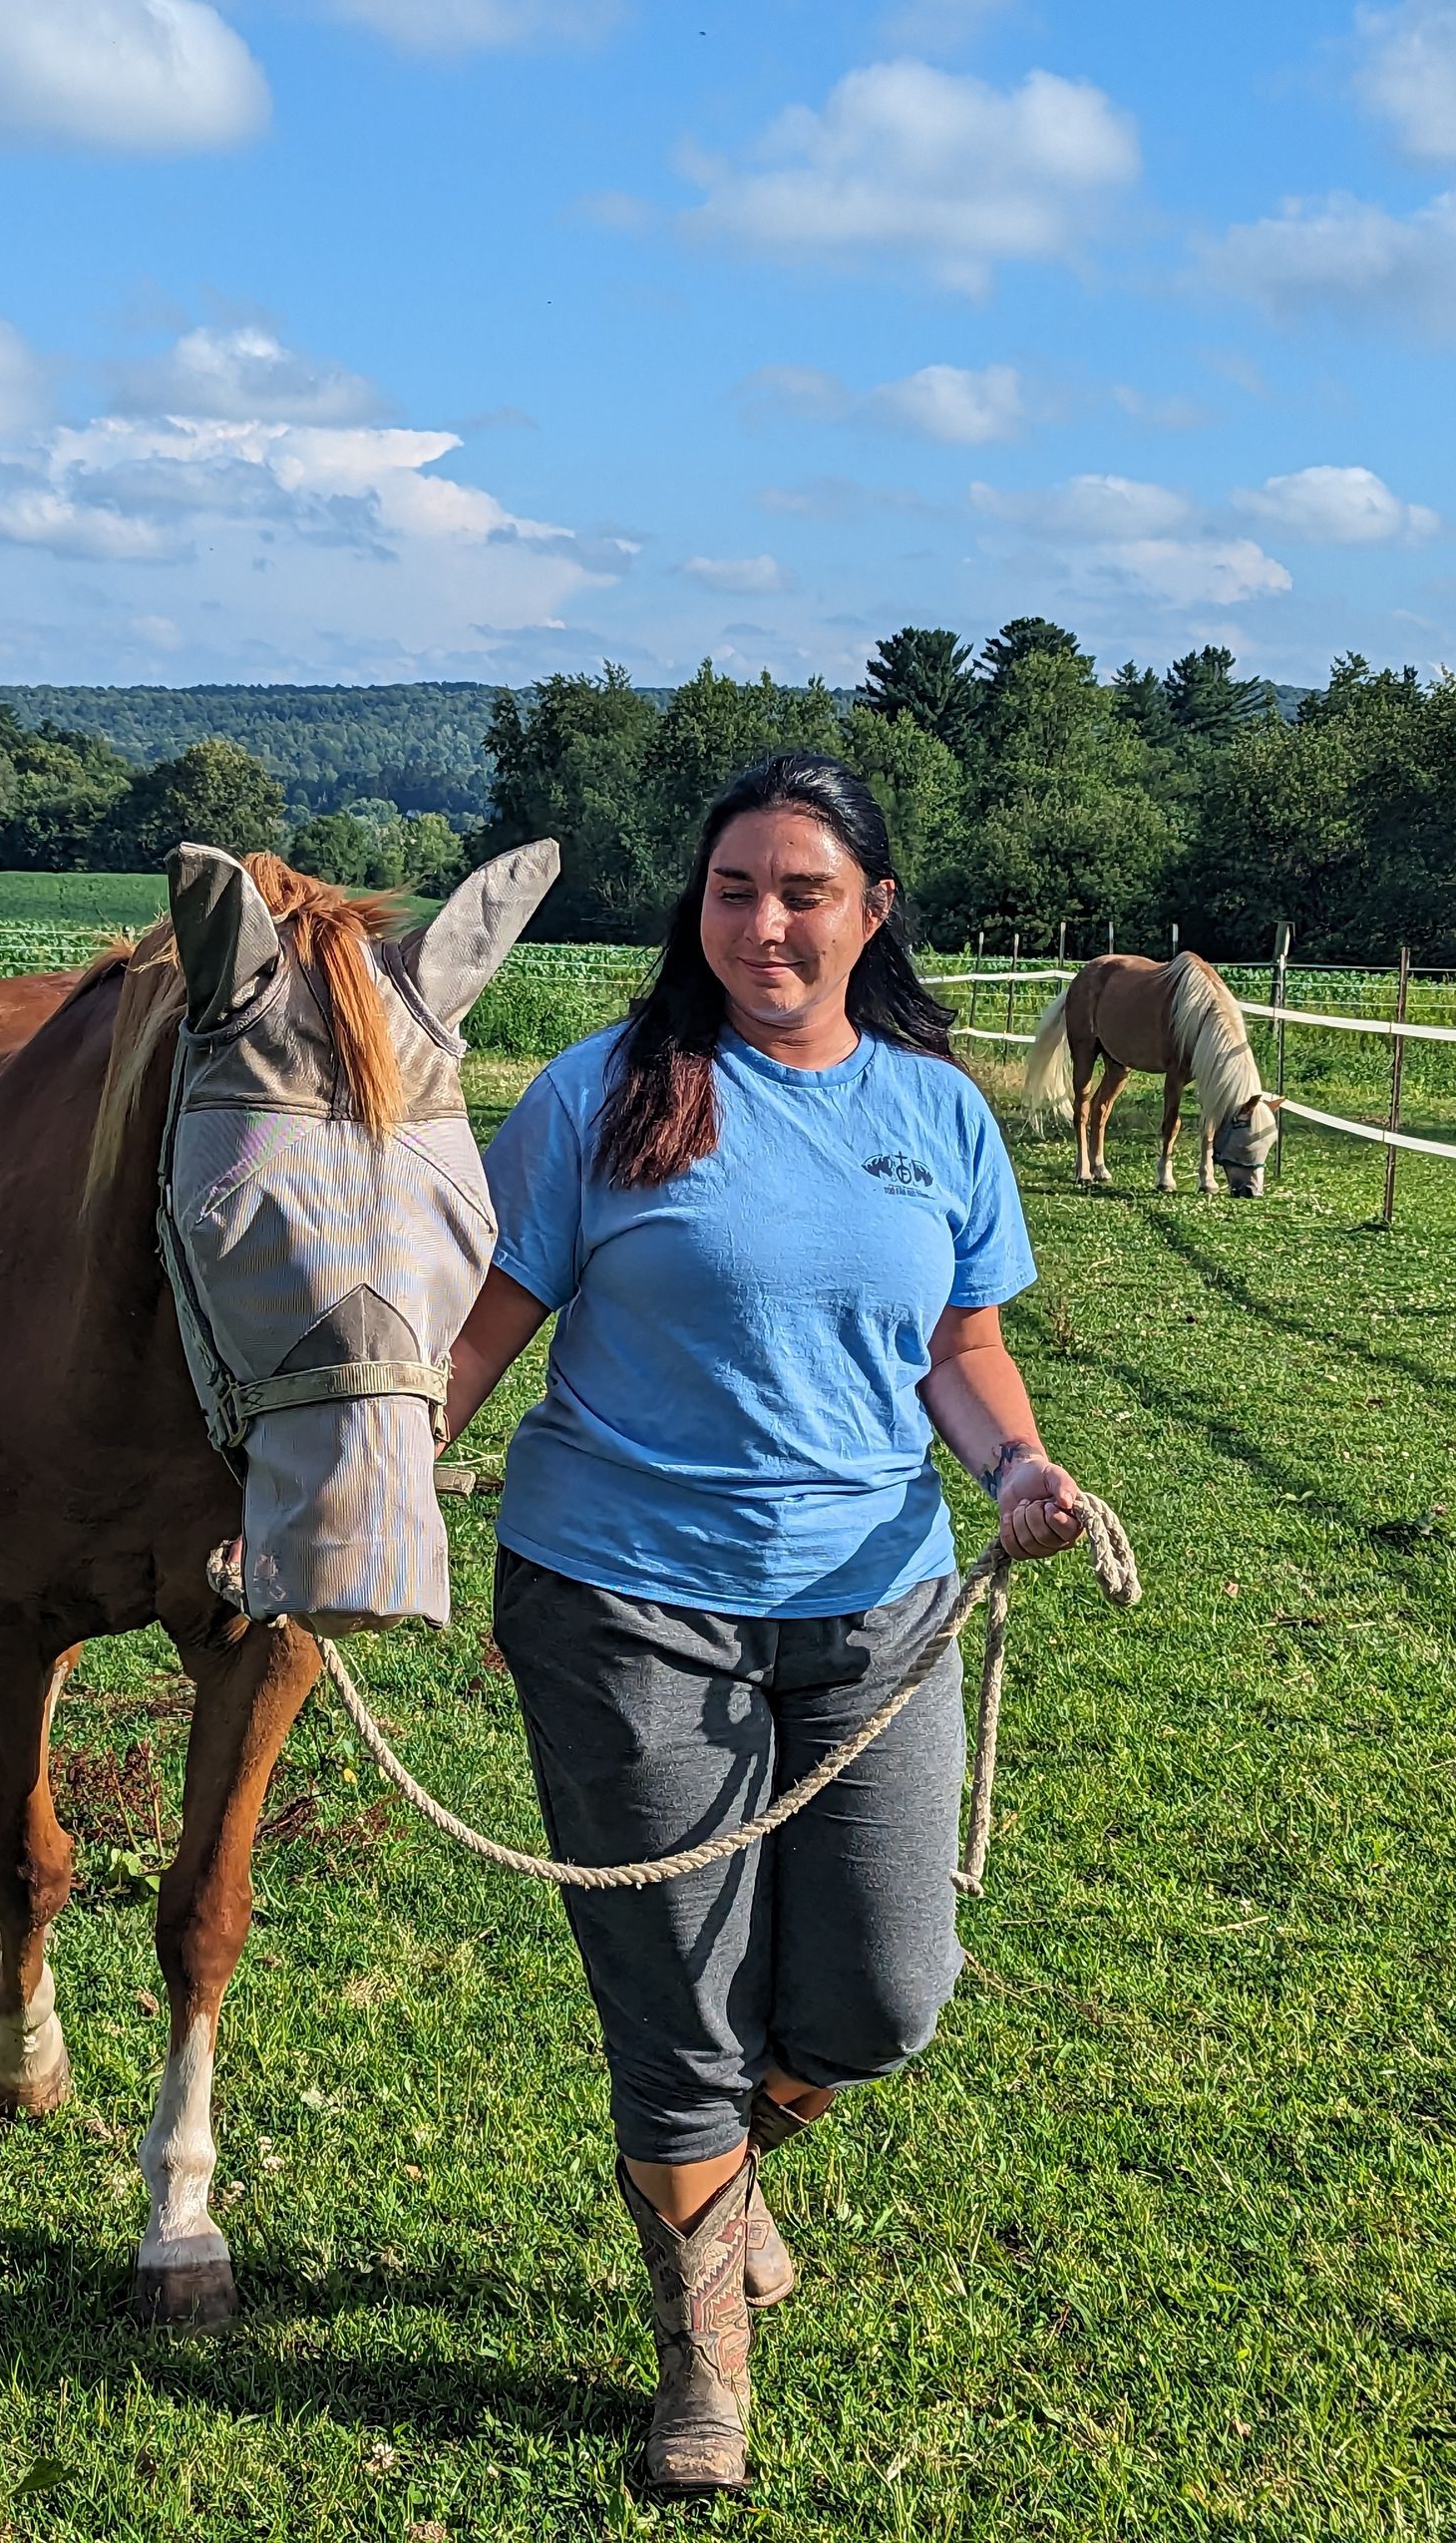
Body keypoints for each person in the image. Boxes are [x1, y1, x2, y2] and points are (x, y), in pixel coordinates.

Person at [443, 753, 1084, 2495]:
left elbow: (959, 1347)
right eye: (735, 889)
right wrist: (366, 1478)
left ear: (873, 912)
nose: (766, 924)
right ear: (698, 907)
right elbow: (484, 1325)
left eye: (805, 891)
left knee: (885, 1996)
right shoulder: (601, 1094)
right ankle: (702, 2373)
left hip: (874, 1607)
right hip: (620, 1600)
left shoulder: (937, 1111)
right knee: (681, 2012)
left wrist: (1016, 1464)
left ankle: (715, 2183)